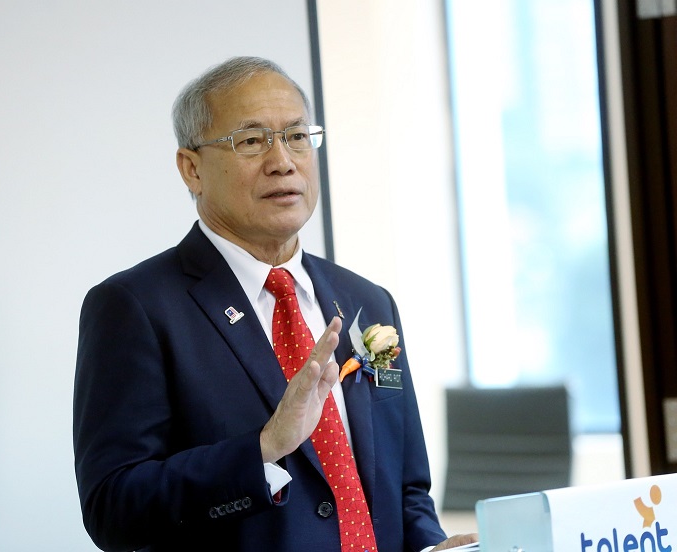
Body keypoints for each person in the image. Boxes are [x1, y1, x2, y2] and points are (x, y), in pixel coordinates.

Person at [73, 56, 478, 552]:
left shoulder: (368, 302)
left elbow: (405, 486)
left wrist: (430, 546)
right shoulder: (135, 307)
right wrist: (263, 449)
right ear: (192, 168)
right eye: (250, 141)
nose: (282, 161)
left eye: (296, 137)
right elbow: (113, 509)